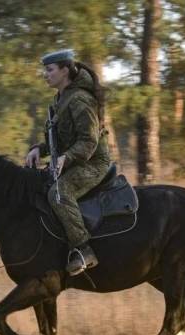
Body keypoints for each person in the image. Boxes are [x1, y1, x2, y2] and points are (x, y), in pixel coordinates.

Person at [25, 49, 111, 276]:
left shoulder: (80, 99)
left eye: (50, 70)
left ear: (65, 70)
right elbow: (61, 139)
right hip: (72, 162)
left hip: (93, 163)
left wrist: (66, 157)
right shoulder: (61, 98)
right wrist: (37, 149)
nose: (46, 75)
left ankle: (84, 250)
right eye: (45, 70)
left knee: (58, 194)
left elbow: (89, 141)